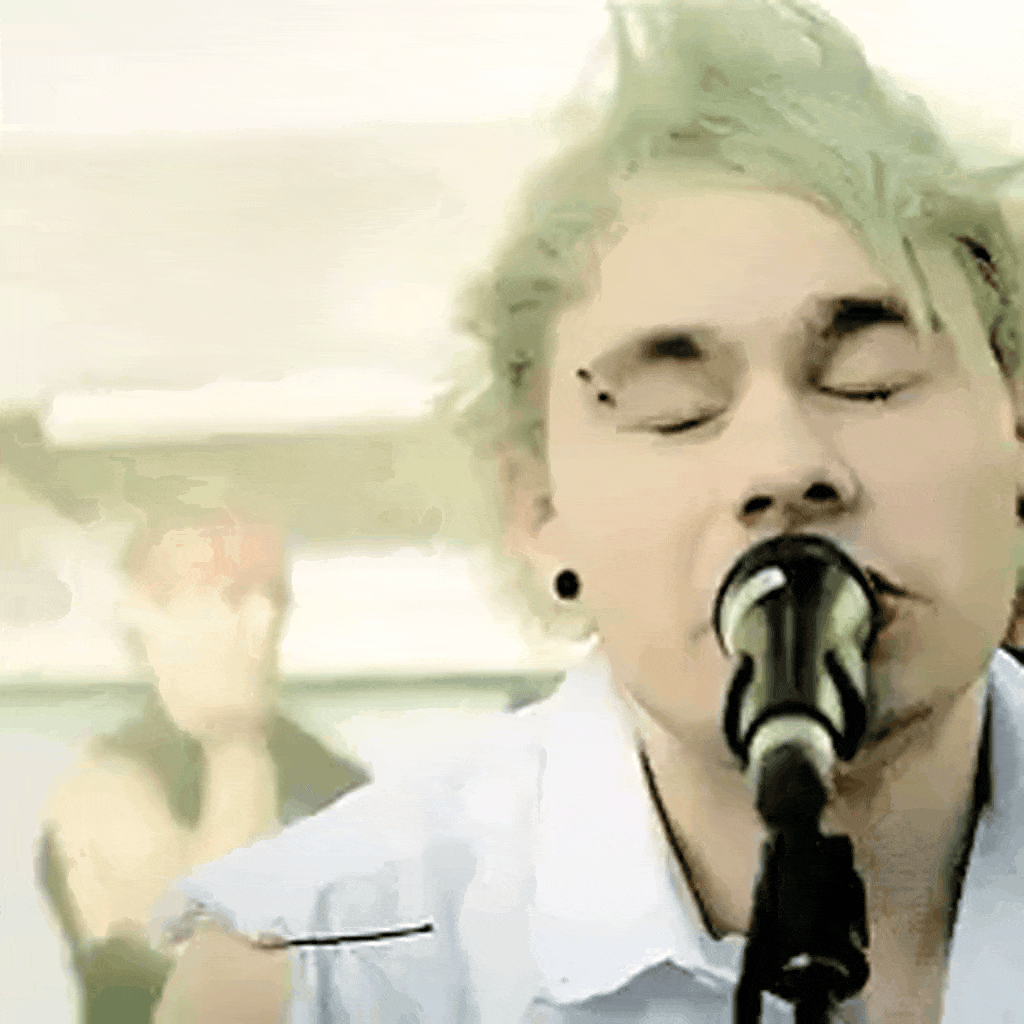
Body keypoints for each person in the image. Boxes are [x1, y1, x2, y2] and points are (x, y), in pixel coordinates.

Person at [152, 2, 1024, 1021]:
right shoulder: (314, 970)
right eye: (674, 408)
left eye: (870, 378)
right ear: (538, 511)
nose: (784, 468)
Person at [38, 513, 368, 1023]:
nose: (263, 621)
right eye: (232, 597)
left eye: (274, 597)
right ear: (152, 617)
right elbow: (202, 962)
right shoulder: (107, 786)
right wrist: (235, 740)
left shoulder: (331, 779)